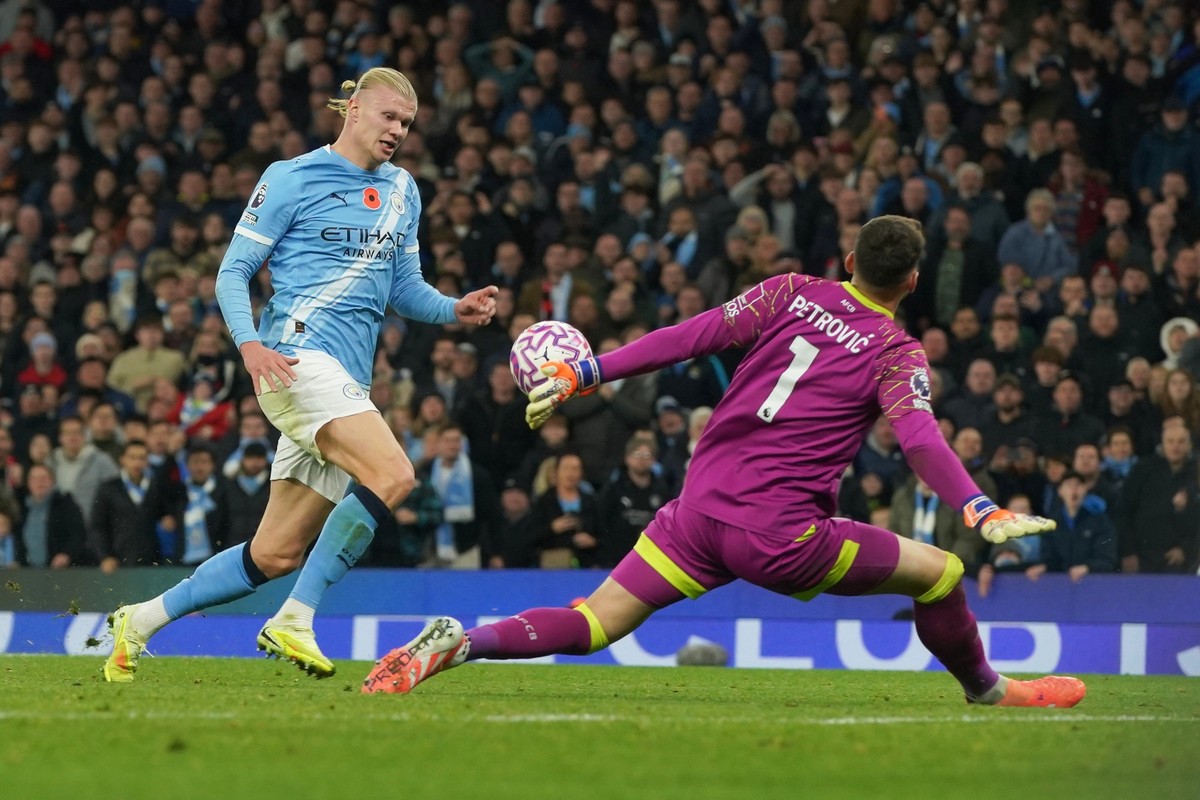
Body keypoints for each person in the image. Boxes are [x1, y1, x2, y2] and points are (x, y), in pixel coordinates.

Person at [364, 216, 1084, 708]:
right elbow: (921, 438)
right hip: (781, 537)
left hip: (696, 513)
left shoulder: (791, 291)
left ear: (850, 262)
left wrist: (590, 372)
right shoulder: (897, 353)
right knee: (944, 572)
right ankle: (990, 691)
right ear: (914, 282)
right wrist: (977, 507)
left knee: (592, 623)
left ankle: (462, 643)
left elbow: (691, 334)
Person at [102, 68, 498, 683]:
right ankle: (295, 619)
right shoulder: (291, 176)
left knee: (276, 552)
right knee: (394, 474)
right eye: (389, 117)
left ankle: (141, 620)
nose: (397, 131)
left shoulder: (403, 191)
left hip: (342, 383)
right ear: (354, 109)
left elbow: (404, 290)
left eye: (407, 124)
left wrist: (454, 309)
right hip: (295, 360)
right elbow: (232, 274)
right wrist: (250, 346)